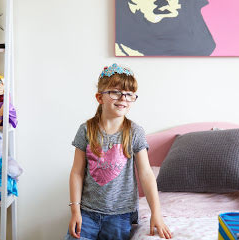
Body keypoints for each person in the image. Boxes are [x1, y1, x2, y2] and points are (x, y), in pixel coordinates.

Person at [66, 64, 172, 240]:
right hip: (87, 213)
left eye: (129, 94)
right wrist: (75, 210)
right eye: (115, 92)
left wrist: (156, 213)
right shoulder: (86, 130)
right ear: (100, 97)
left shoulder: (134, 132)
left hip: (120, 215)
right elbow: (76, 172)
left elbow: (146, 174)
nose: (123, 97)